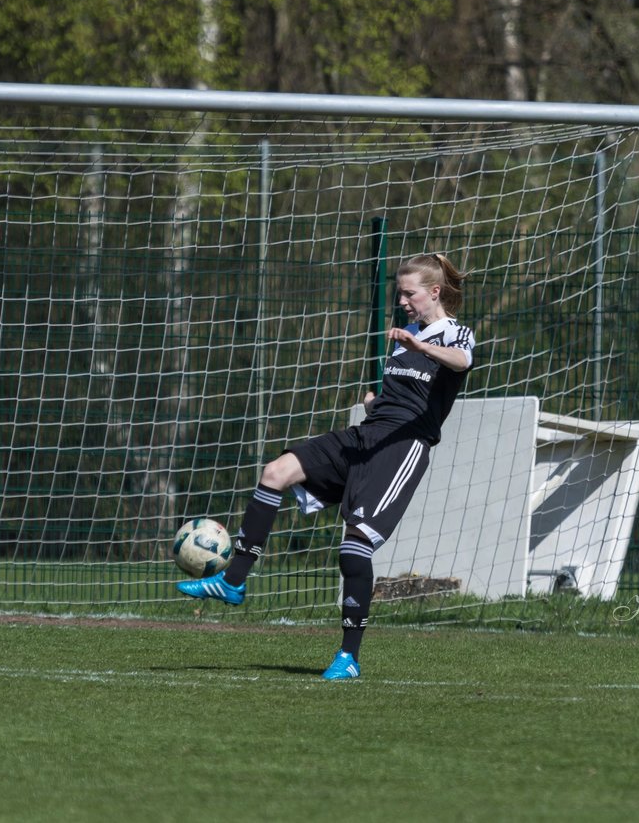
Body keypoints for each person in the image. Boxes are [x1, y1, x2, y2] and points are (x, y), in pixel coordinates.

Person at [177, 253, 475, 680]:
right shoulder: (403, 334)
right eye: (399, 293)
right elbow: (401, 393)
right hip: (365, 436)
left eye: (409, 294)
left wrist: (421, 345)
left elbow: (462, 363)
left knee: (354, 548)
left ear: (434, 291)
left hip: (402, 448)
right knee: (275, 472)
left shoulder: (455, 333)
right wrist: (377, 401)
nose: (403, 301)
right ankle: (233, 581)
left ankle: (349, 657)